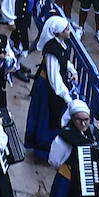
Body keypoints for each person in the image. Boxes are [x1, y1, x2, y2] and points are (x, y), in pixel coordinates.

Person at [26, 15, 76, 160]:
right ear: (59, 32)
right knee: (47, 115)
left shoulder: (60, 45)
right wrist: (66, 96)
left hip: (53, 87)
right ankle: (43, 149)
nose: (69, 31)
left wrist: (72, 71)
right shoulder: (51, 50)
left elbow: (64, 62)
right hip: (48, 89)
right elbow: (54, 78)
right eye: (66, 29)